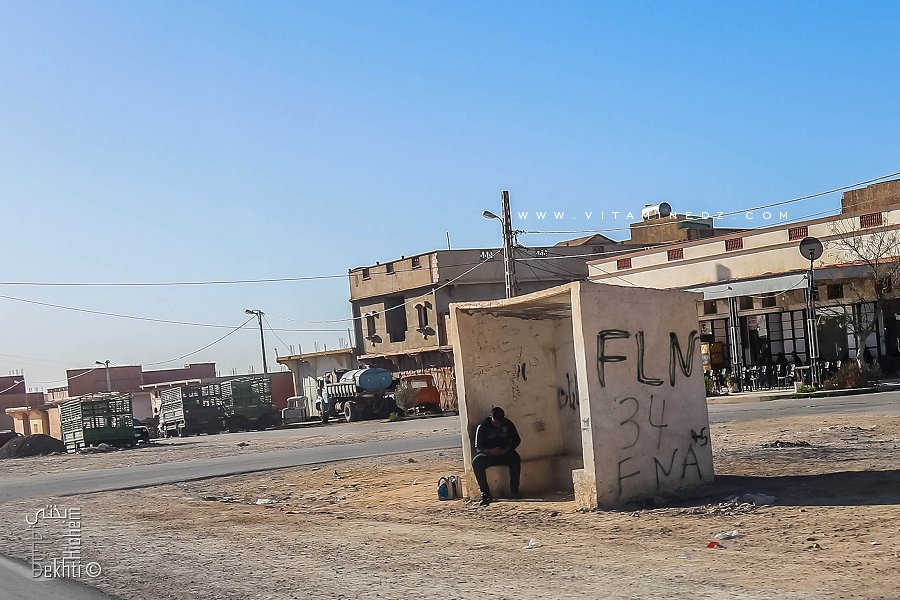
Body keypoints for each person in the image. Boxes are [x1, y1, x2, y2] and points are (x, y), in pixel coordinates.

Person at [472, 406, 521, 506]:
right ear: (491, 418)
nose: (498, 424)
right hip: (489, 456)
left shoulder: (508, 424)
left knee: (515, 458)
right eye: (496, 421)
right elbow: (478, 447)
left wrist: (506, 449)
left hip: (504, 453)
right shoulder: (483, 427)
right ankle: (485, 493)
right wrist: (489, 451)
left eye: (500, 421)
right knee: (477, 462)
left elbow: (517, 440)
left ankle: (514, 491)